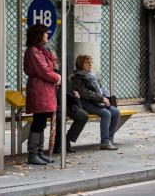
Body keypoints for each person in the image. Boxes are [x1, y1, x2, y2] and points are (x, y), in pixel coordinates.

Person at [24, 24, 61, 166]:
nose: (47, 35)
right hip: (40, 88)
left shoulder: (42, 50)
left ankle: (39, 152)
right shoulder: (34, 51)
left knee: (42, 120)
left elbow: (51, 66)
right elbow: (44, 71)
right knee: (38, 120)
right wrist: (57, 77)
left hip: (45, 88)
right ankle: (32, 153)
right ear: (39, 35)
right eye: (45, 33)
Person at [70, 55, 120, 151]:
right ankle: (105, 142)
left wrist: (107, 97)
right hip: (84, 103)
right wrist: (101, 98)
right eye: (87, 62)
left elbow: (100, 89)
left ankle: (110, 139)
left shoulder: (92, 75)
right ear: (81, 64)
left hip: (96, 102)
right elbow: (85, 93)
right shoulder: (77, 77)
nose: (90, 64)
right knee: (106, 113)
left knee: (116, 112)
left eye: (91, 62)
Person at [53, 89, 89, 154]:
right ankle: (58, 144)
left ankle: (66, 140)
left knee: (84, 116)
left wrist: (74, 93)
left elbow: (69, 90)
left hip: (67, 104)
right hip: (54, 104)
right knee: (60, 117)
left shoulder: (66, 80)